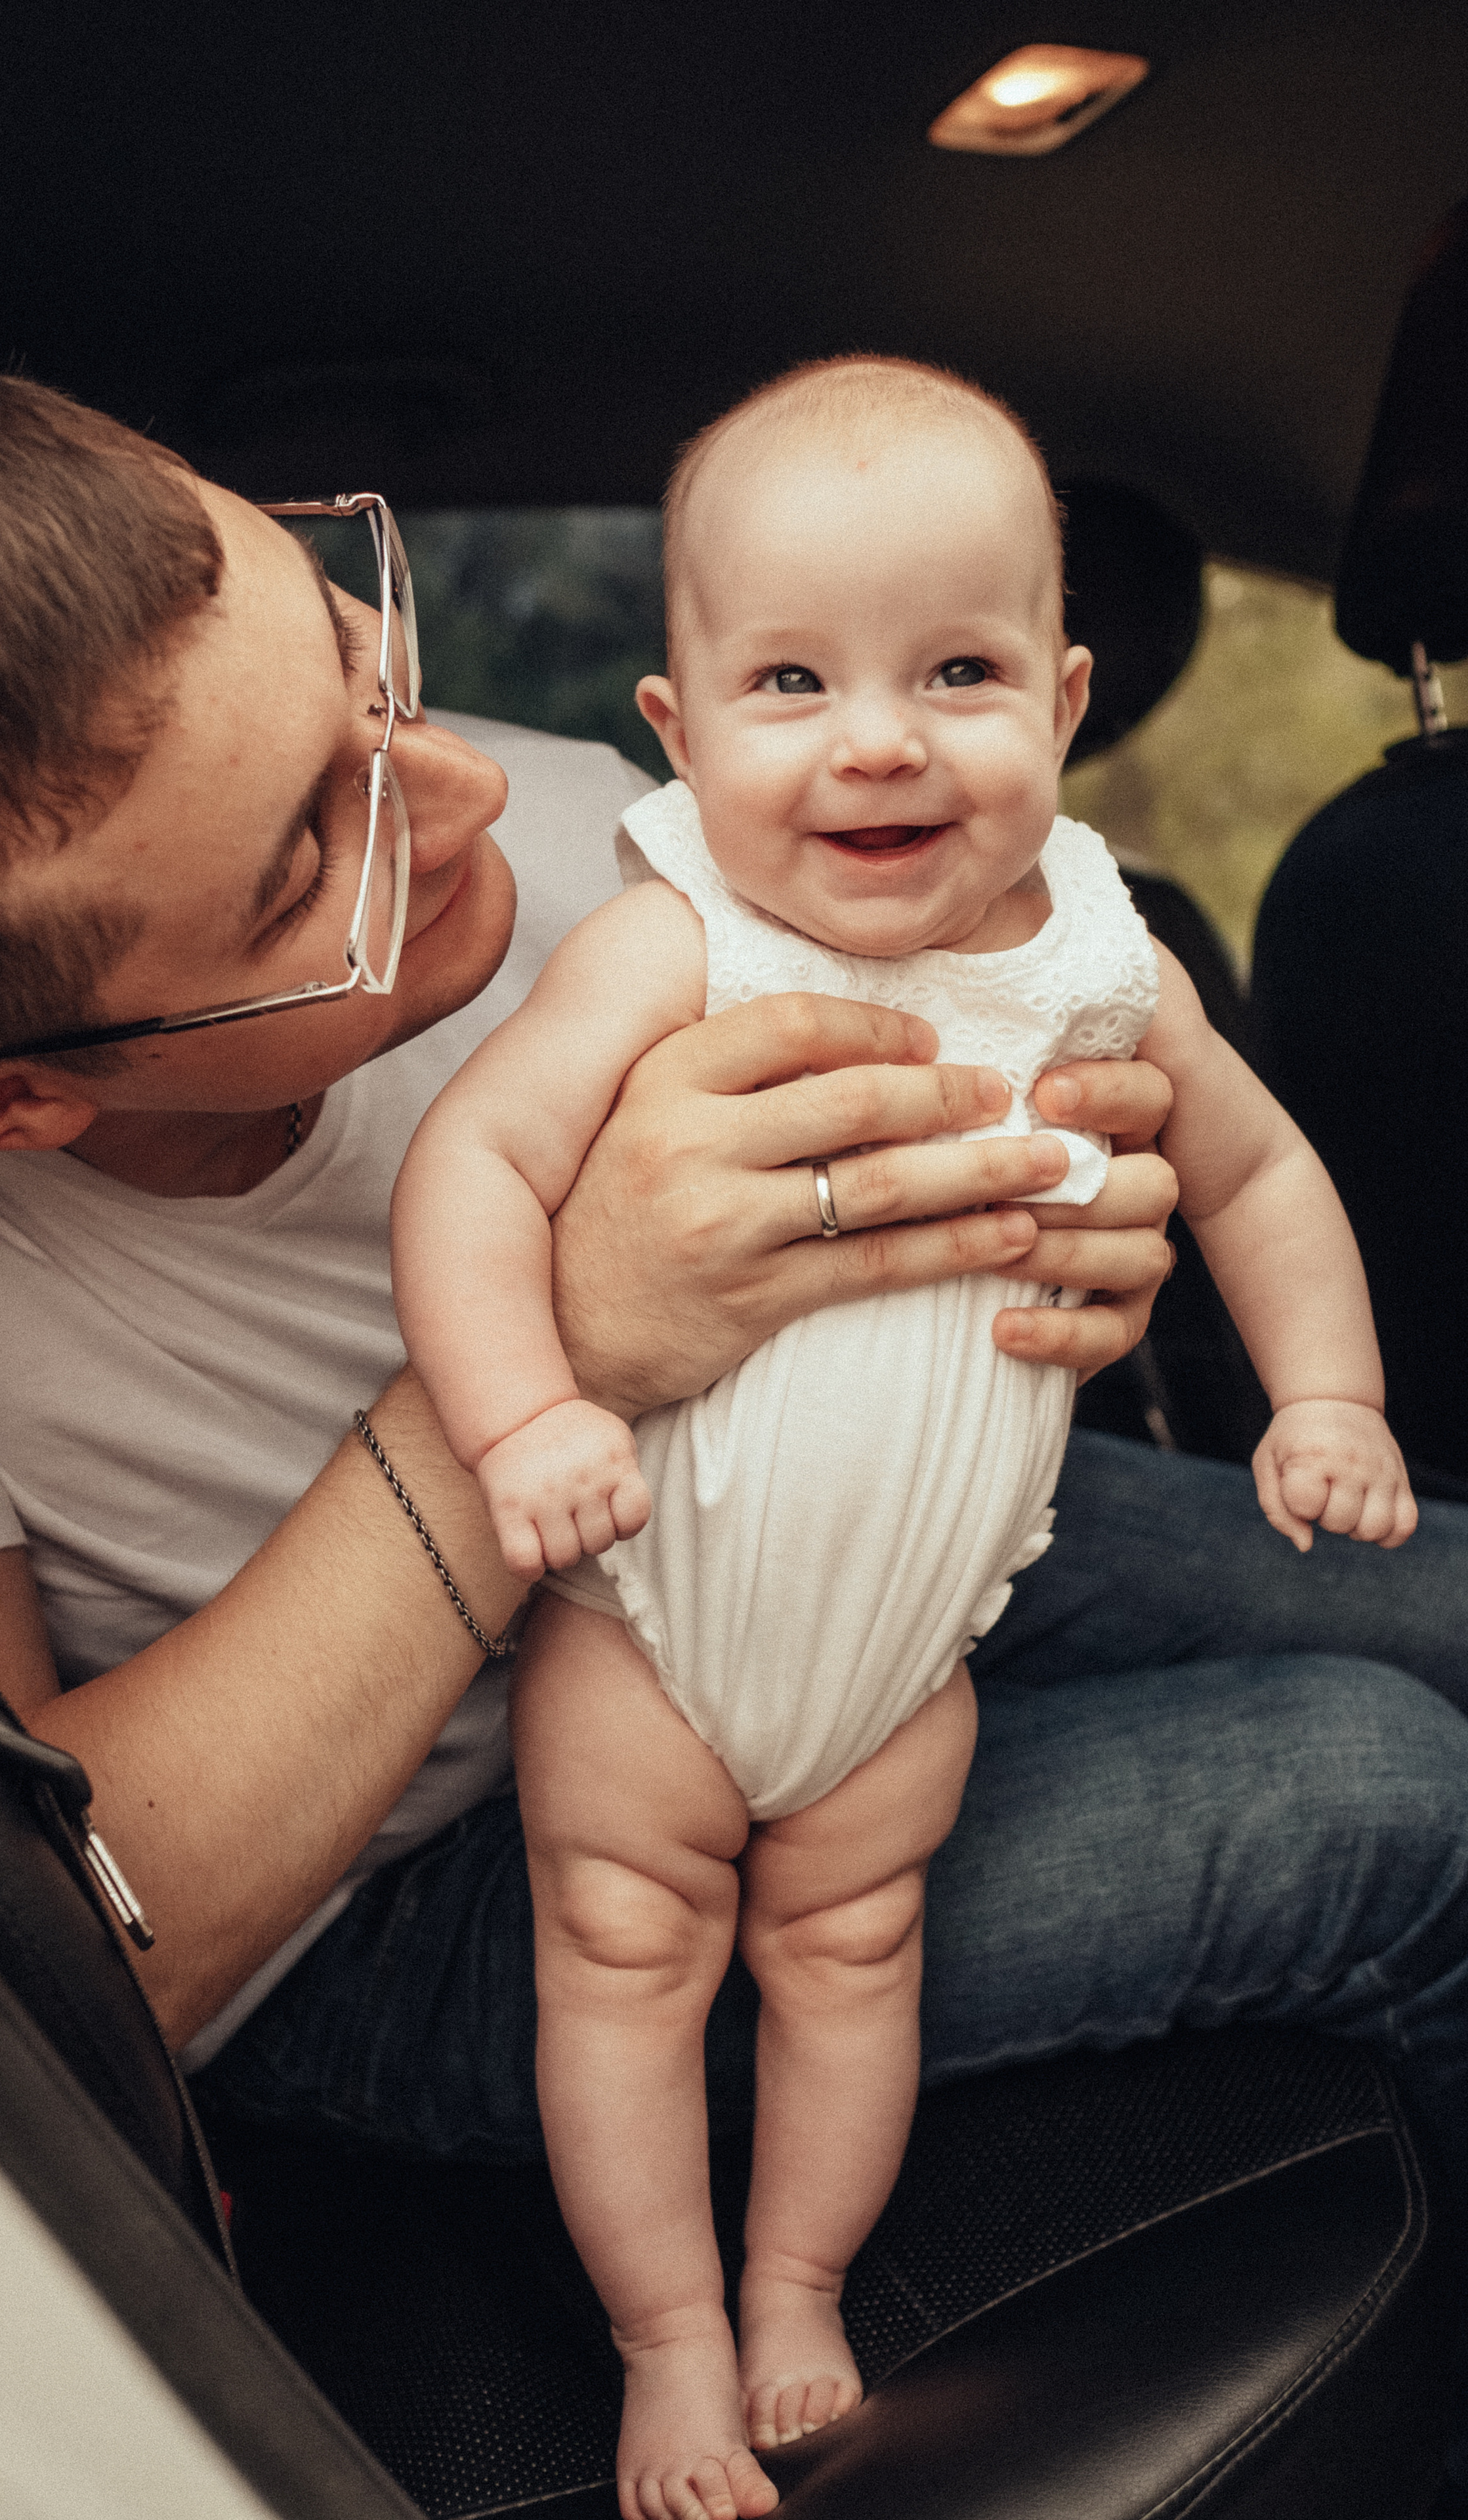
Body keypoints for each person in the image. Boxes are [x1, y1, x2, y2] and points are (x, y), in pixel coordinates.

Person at [0, 364, 1467, 2520]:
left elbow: (1065, 1149)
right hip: (428, 1863)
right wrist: (577, 1335)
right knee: (1386, 1792)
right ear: (7, 1102)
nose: (472, 799)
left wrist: (1077, 1232)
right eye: (320, 856)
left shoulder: (599, 814)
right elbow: (66, 1949)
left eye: (368, 671)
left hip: (877, 1542)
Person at [390, 358, 1417, 2520]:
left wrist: (1326, 1394)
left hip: (903, 1666)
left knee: (856, 1963)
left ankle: (791, 2288)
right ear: (677, 731)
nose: (876, 736)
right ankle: (665, 2345)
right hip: (648, 1634)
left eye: (954, 670)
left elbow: (1257, 1178)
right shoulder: (676, 936)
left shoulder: (1110, 961)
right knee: (631, 1970)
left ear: (1060, 703)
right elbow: (477, 1174)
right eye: (790, 679)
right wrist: (524, 1417)